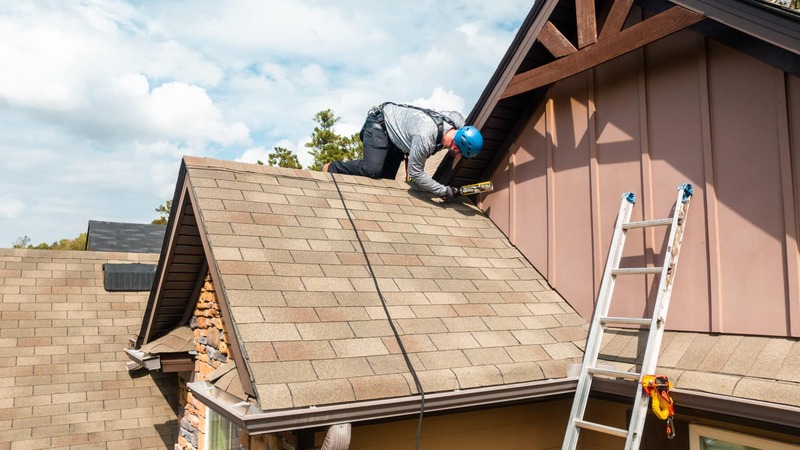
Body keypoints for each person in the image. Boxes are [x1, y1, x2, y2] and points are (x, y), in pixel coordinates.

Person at [323, 102, 483, 200]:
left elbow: (457, 116)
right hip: (380, 123)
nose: (458, 156)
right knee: (372, 169)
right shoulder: (426, 137)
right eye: (460, 154)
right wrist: (442, 190)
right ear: (455, 148)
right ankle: (332, 167)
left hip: (397, 140)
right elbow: (416, 173)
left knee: (386, 181)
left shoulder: (455, 122)